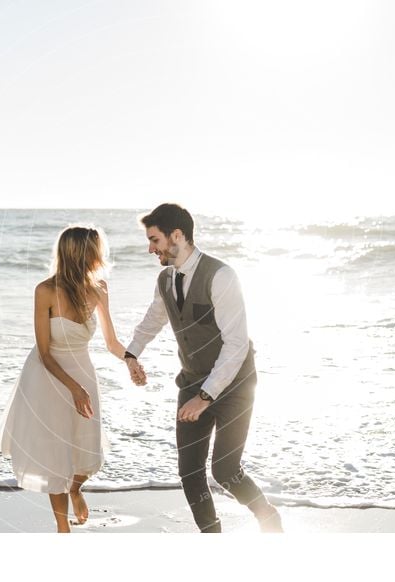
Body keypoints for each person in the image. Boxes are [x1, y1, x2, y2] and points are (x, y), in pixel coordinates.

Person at [124, 203, 283, 533]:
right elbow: (154, 318)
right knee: (189, 471)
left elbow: (236, 345)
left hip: (236, 385)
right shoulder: (165, 279)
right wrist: (132, 355)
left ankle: (267, 515)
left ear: (177, 236)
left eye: (155, 240)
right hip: (192, 381)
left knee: (225, 470)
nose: (150, 248)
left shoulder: (221, 276)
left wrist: (206, 397)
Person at [0, 225, 145, 533]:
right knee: (54, 453)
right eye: (96, 250)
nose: (101, 255)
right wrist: (73, 388)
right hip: (47, 376)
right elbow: (45, 353)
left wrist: (131, 361)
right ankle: (63, 528)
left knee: (87, 449)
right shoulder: (45, 291)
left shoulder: (99, 290)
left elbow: (112, 342)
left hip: (82, 373)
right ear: (84, 253)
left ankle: (75, 489)